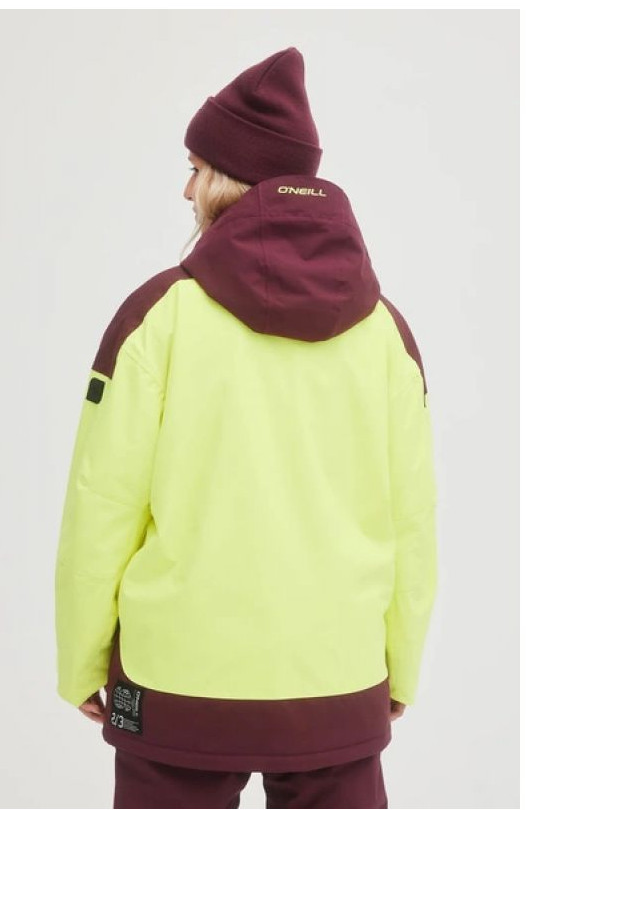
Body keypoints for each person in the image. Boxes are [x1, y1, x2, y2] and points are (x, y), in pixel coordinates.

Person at [54, 46, 438, 808]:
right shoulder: (385, 334)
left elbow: (103, 506)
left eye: (196, 168)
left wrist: (82, 662)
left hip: (175, 684)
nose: (186, 188)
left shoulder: (156, 319)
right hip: (337, 679)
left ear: (230, 179)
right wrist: (400, 665)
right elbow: (411, 521)